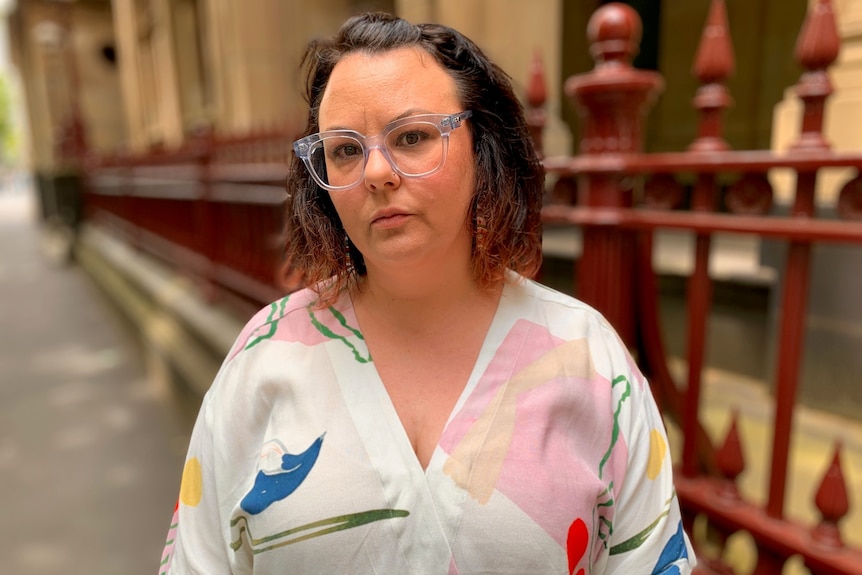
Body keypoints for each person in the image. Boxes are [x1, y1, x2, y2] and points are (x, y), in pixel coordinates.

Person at [159, 11, 695, 574]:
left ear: (482, 149)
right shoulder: (264, 356)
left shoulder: (587, 359)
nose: (376, 172)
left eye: (411, 137)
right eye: (344, 149)